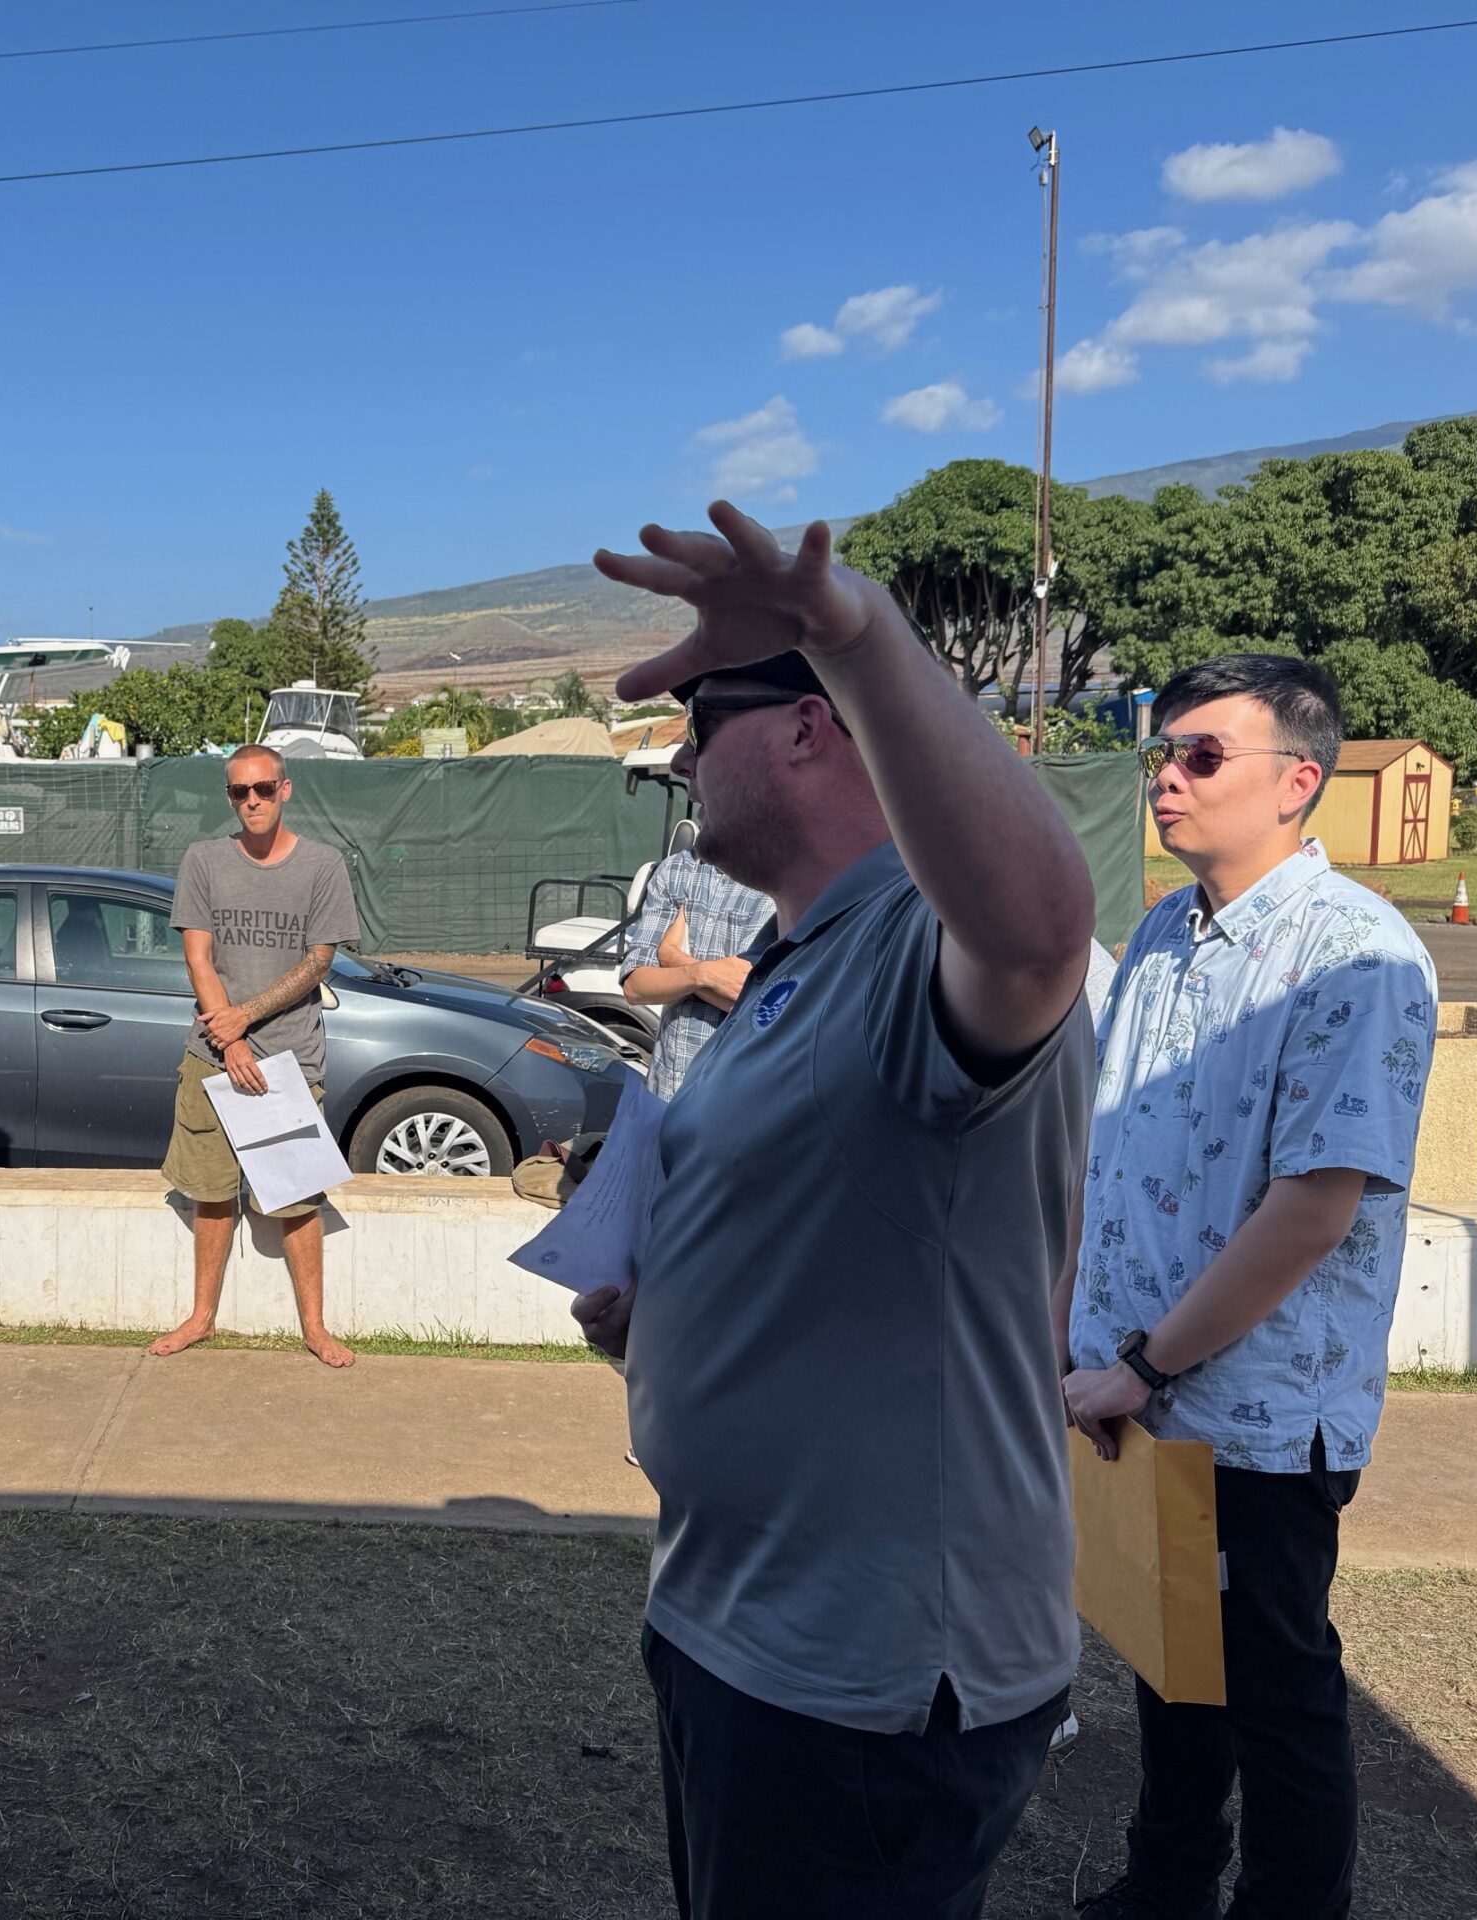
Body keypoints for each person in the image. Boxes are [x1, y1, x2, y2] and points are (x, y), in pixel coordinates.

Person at [572, 507, 1096, 1917]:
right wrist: (664, 1318)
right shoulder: (792, 955)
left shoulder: (921, 939)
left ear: (813, 729)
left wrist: (853, 634)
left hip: (865, 1676)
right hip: (733, 1622)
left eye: (707, 717)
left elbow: (1041, 929)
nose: (681, 753)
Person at [1061, 657, 1437, 1920]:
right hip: (1132, 1383)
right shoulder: (1164, 933)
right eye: (1157, 754)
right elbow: (1107, 1148)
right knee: (1172, 1668)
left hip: (1259, 1411)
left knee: (1275, 1688)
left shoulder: (1356, 956)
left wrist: (1150, 1363)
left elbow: (1315, 1206)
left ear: (1298, 783)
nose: (1164, 775)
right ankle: (1163, 1885)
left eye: (1200, 755)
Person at [151, 743, 363, 1368]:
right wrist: (231, 1037)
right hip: (213, 1056)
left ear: (285, 789)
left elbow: (318, 961)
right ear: (229, 797)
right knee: (212, 1193)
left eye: (263, 789)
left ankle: (316, 1328)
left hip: (289, 1061)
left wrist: (247, 1018)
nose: (252, 802)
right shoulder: (204, 860)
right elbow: (199, 957)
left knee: (297, 1199)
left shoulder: (323, 866)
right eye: (240, 792)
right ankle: (201, 1318)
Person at [618, 838, 773, 1098]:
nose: (699, 800)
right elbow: (636, 987)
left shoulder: (779, 879)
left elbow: (755, 1003)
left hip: (735, 1101)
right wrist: (703, 974)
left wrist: (672, 960)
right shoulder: (676, 869)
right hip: (664, 1093)